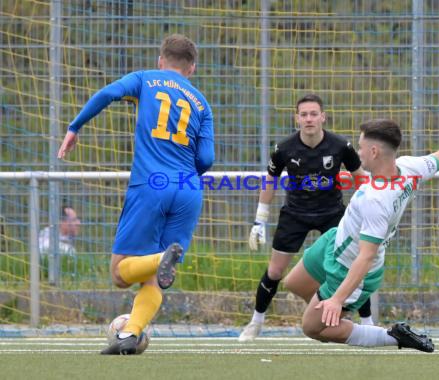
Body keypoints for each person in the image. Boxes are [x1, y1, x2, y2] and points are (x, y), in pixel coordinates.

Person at [282, 119, 439, 352]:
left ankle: (392, 336)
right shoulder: (407, 167)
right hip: (336, 241)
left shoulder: (377, 199)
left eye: (361, 147)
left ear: (374, 152)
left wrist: (336, 299)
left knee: (312, 329)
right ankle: (333, 314)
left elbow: (366, 257)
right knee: (294, 282)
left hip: (347, 265)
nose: (358, 152)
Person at [57, 34, 214, 355]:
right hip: (189, 189)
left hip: (151, 185)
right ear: (192, 68)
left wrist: (74, 127)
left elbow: (108, 93)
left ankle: (160, 259)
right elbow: (206, 159)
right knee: (153, 280)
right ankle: (130, 335)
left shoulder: (146, 79)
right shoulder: (201, 102)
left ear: (161, 60)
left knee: (119, 273)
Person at [239, 94, 371, 342]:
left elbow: (360, 176)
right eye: (304, 115)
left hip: (332, 213)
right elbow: (270, 180)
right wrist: (260, 219)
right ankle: (255, 322)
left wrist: (365, 209)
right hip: (295, 214)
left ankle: (368, 322)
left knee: (350, 266)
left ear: (323, 117)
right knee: (275, 271)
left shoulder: (341, 146)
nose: (309, 119)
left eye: (313, 114)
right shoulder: (284, 148)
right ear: (296, 118)